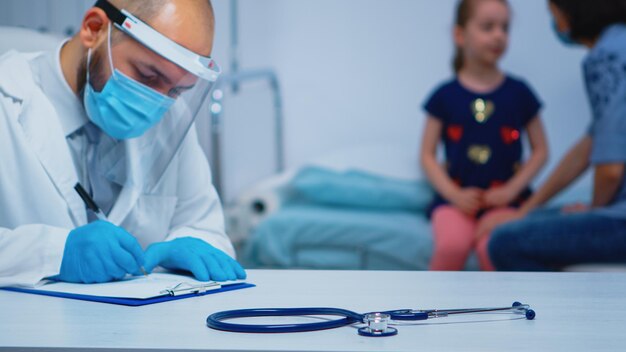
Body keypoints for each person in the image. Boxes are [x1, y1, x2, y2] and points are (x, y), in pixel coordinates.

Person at [0, 0, 246, 286]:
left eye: (177, 90)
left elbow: (206, 227)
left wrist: (182, 247)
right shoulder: (7, 103)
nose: (158, 102)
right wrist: (53, 254)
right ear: (94, 29)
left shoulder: (168, 116)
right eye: (148, 75)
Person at [485, 0, 626, 271]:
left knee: (504, 242)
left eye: (554, 15)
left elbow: (610, 170)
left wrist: (593, 212)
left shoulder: (607, 56)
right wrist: (524, 211)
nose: (556, 26)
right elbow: (589, 146)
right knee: (537, 220)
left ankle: (572, 313)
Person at [420, 0, 548, 271]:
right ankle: (432, 308)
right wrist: (454, 194)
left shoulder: (520, 92)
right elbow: (427, 155)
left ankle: (502, 312)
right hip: (455, 202)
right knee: (451, 246)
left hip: (507, 201)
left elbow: (541, 150)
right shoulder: (444, 95)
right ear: (459, 35)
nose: (499, 35)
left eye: (505, 27)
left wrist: (511, 190)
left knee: (493, 248)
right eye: (488, 27)